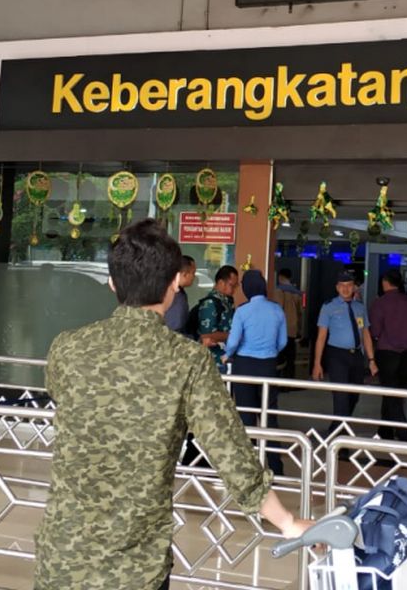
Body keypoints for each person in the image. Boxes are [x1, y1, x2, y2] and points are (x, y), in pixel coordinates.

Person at [34, 219, 309, 590]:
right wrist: (288, 522)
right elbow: (230, 452)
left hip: (61, 555)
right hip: (136, 568)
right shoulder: (187, 361)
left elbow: (58, 395)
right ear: (174, 284)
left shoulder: (66, 347)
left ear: (113, 283)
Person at [224, 269, 288, 474]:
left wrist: (228, 354)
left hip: (244, 366)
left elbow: (233, 341)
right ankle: (276, 468)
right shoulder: (277, 310)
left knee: (246, 417)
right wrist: (269, 352)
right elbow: (283, 341)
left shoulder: (242, 311)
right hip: (268, 366)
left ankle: (249, 470)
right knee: (269, 417)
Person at [312, 270, 378, 429]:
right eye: (342, 286)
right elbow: (321, 336)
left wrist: (371, 360)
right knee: (341, 397)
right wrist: (317, 363)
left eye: (349, 285)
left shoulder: (359, 308)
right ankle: (341, 445)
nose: (345, 289)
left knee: (354, 396)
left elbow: (365, 334)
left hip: (356, 356)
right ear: (337, 287)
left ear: (354, 287)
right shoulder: (329, 307)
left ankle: (336, 428)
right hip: (337, 356)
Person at [369, 269, 407, 440]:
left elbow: (375, 330)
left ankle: (405, 434)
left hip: (386, 353)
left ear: (385, 282)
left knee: (391, 395)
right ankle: (384, 431)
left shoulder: (380, 303)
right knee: (395, 393)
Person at [197, 265, 239, 369]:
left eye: (236, 286)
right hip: (215, 361)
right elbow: (206, 335)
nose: (234, 290)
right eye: (231, 285)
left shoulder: (227, 301)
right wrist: (231, 335)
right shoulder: (210, 303)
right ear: (221, 283)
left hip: (227, 358)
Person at [268, 268, 302, 379]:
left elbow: (278, 310)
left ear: (280, 277)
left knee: (280, 358)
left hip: (281, 330)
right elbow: (300, 312)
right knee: (290, 357)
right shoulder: (297, 292)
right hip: (292, 329)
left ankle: (279, 382)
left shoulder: (279, 291)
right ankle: (289, 381)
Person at [164, 255, 197, 337]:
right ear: (185, 274)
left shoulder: (179, 292)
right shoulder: (175, 295)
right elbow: (175, 326)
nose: (194, 277)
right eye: (193, 273)